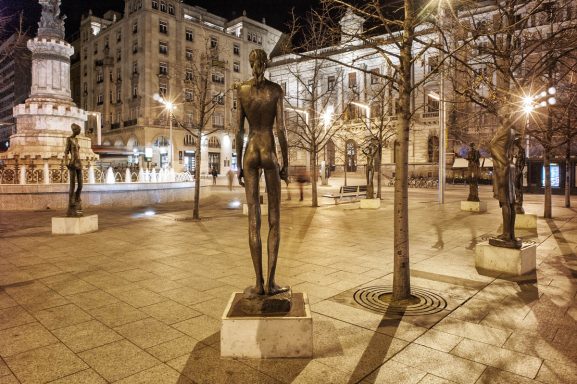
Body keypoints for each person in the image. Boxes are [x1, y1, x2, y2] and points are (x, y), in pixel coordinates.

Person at [236, 48, 289, 298]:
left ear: (250, 63)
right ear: (265, 64)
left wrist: (238, 164)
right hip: (268, 150)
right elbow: (281, 132)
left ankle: (257, 284)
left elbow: (238, 131)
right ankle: (271, 282)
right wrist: (285, 163)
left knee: (253, 222)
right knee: (274, 220)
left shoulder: (242, 90)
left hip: (250, 152)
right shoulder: (276, 90)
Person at [489, 125, 521, 249]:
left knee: (505, 202)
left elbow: (492, 146)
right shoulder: (512, 130)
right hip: (508, 166)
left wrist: (503, 162)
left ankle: (507, 234)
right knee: (510, 202)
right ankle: (511, 234)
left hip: (503, 168)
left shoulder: (504, 130)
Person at [65, 123, 83, 217]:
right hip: (72, 163)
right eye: (78, 130)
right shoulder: (69, 139)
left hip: (79, 162)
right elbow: (66, 152)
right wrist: (66, 162)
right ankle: (71, 203)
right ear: (75, 130)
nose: (79, 132)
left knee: (80, 184)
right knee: (72, 185)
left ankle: (77, 198)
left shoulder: (76, 139)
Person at [513, 135, 526, 214]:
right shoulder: (518, 150)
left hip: (518, 169)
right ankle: (517, 200)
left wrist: (520, 170)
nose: (515, 144)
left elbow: (523, 161)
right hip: (516, 168)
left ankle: (519, 202)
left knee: (518, 186)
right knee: (515, 186)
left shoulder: (522, 150)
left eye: (516, 143)